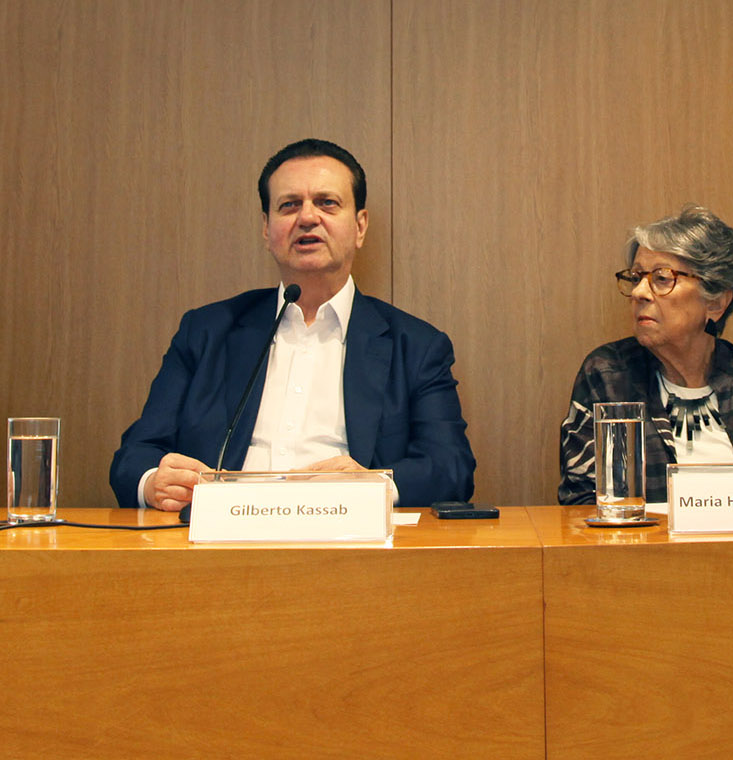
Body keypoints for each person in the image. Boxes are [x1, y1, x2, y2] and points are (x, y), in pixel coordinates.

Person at [109, 138, 476, 510]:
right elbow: (136, 455)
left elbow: (452, 467)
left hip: (349, 535)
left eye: (327, 202)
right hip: (224, 534)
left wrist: (372, 484)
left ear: (360, 226)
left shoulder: (415, 346)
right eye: (289, 205)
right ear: (266, 229)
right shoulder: (206, 332)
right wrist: (153, 482)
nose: (307, 217)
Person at [558, 205, 733, 505]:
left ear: (716, 303)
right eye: (636, 277)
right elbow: (581, 503)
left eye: (662, 278)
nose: (638, 293)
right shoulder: (610, 376)